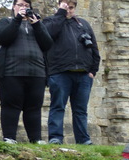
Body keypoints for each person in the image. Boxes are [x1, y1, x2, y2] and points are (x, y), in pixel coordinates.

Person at [43, 0, 99, 145]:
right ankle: (55, 138)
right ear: (60, 6)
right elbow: (49, 34)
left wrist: (93, 70)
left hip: (83, 74)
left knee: (80, 110)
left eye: (71, 8)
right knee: (58, 106)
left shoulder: (83, 24)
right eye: (66, 7)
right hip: (60, 72)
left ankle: (83, 140)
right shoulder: (50, 21)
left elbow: (94, 48)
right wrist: (61, 14)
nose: (69, 10)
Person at [0, 0, 52, 144]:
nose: (23, 8)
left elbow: (47, 44)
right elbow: (3, 38)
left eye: (26, 6)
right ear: (13, 7)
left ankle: (36, 139)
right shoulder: (6, 21)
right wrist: (16, 20)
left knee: (33, 107)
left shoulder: (37, 24)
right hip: (10, 72)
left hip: (37, 73)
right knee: (10, 106)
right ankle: (9, 138)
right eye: (20, 5)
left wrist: (37, 24)